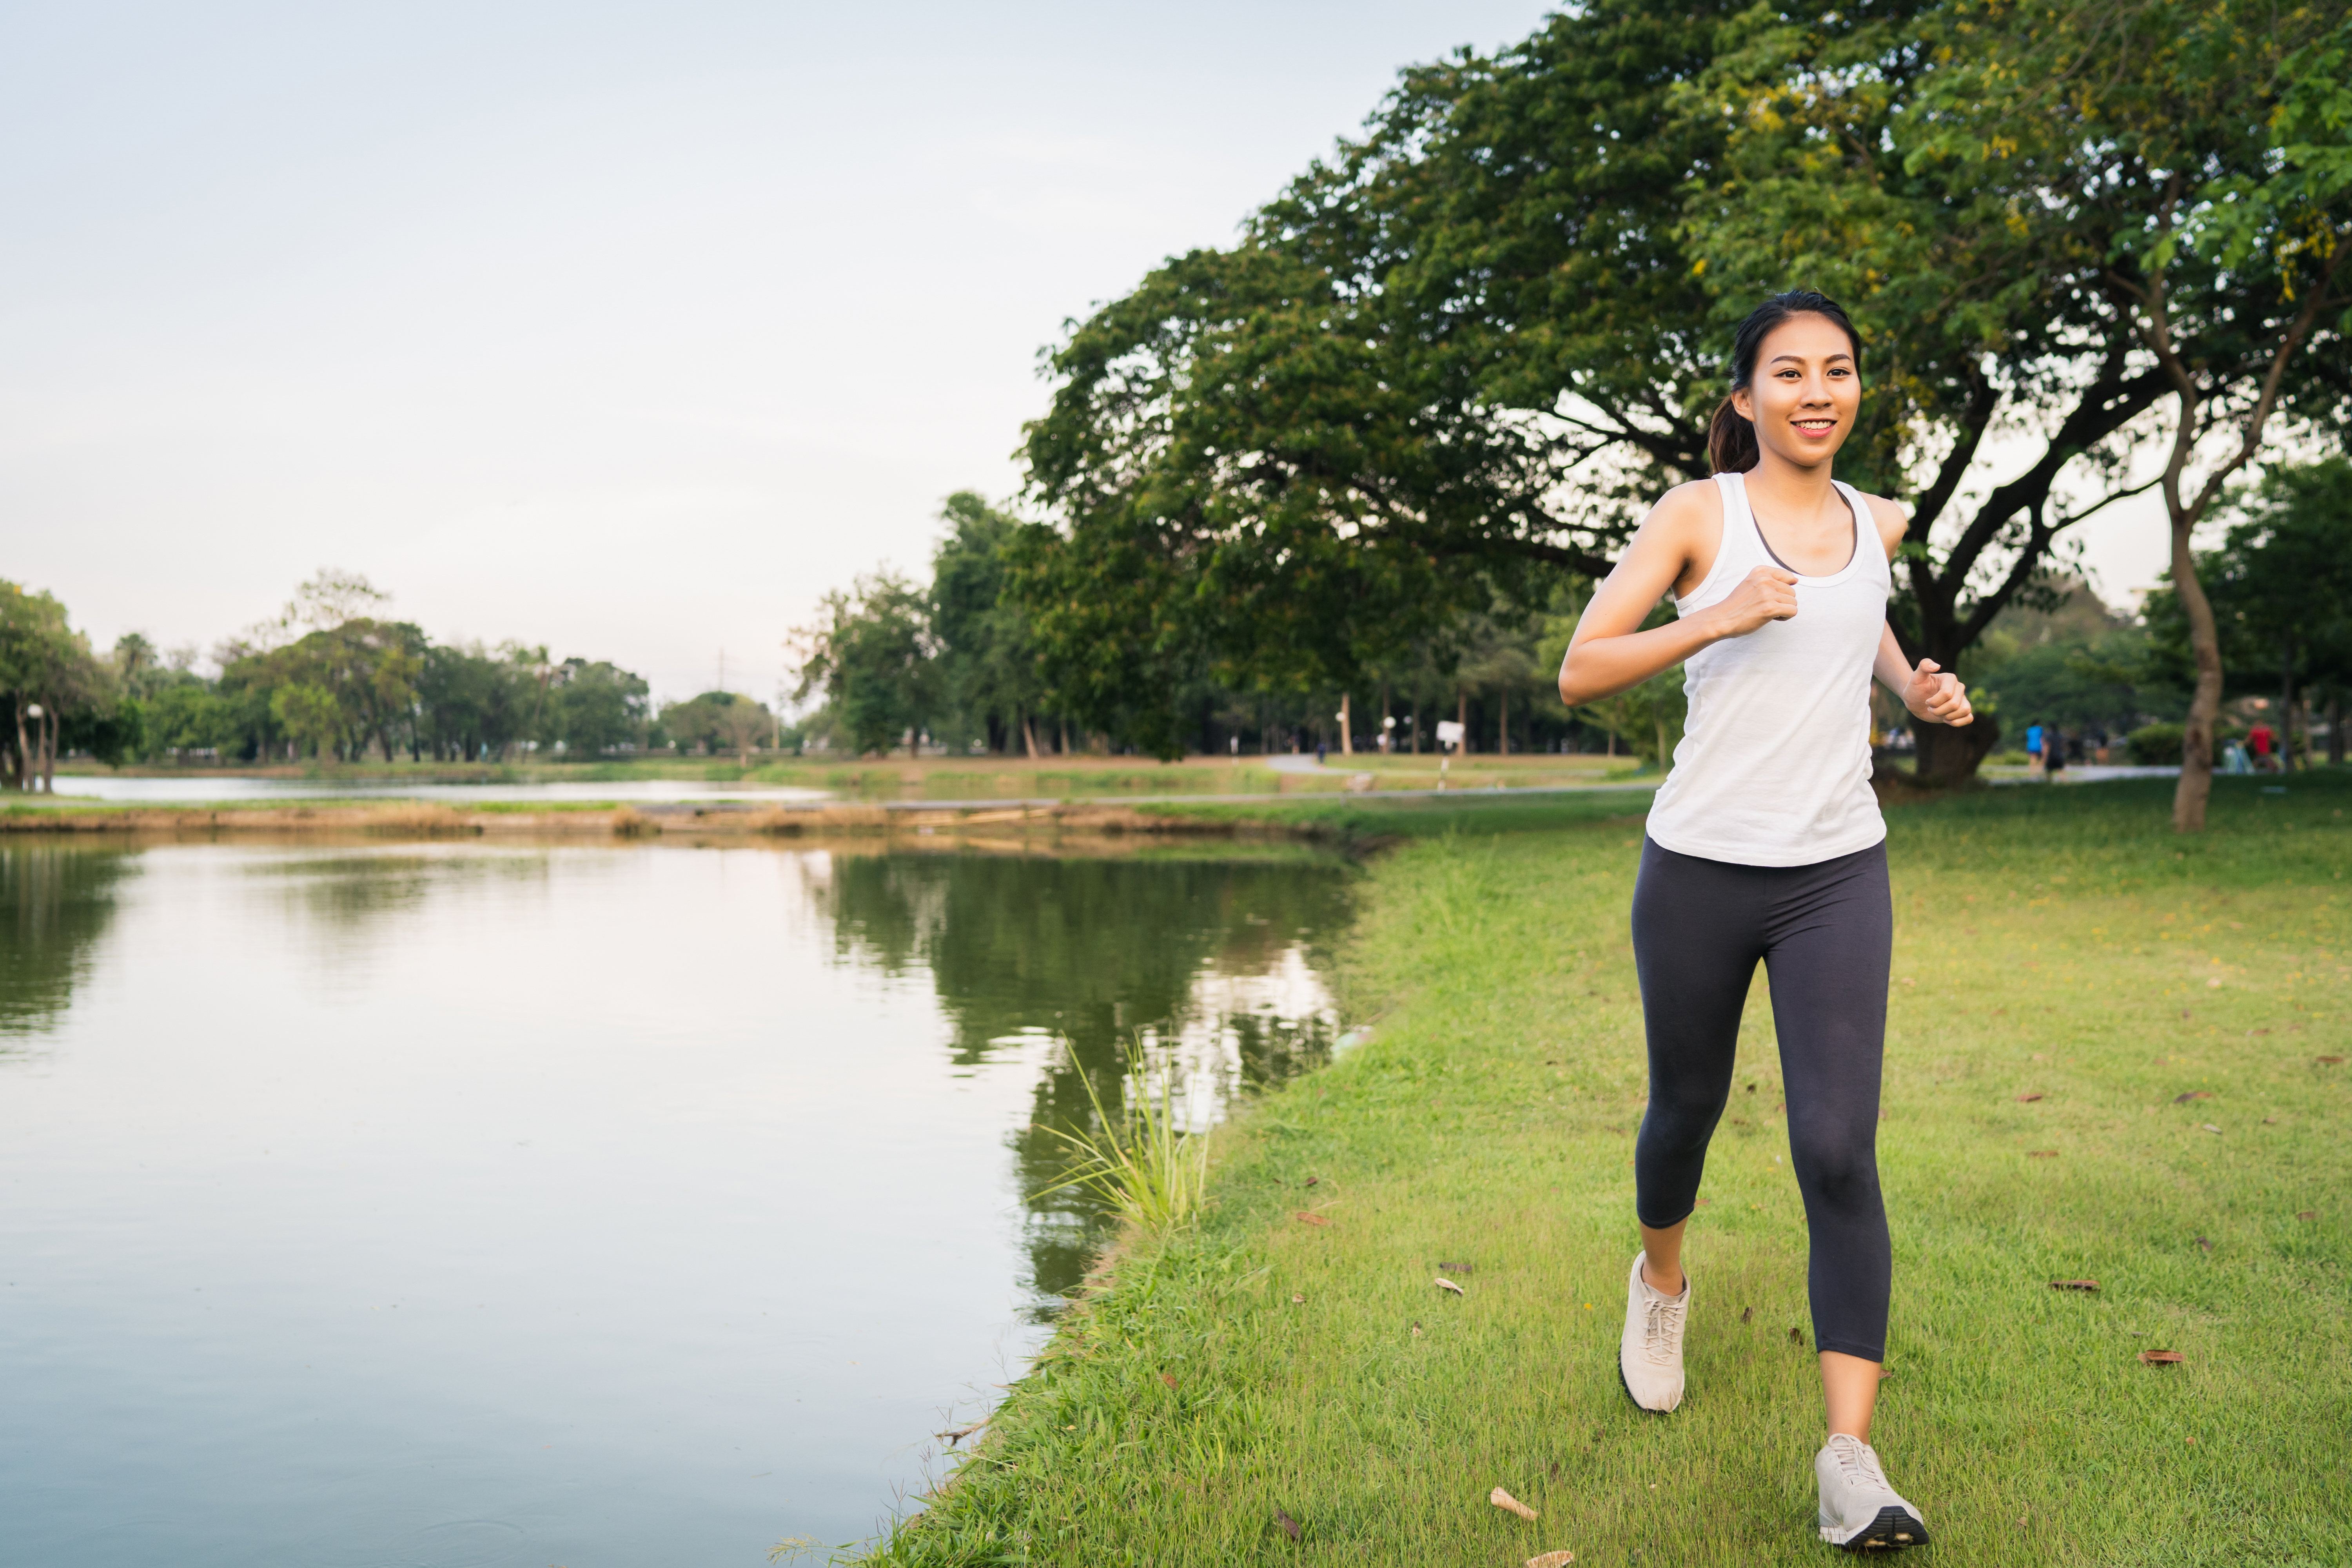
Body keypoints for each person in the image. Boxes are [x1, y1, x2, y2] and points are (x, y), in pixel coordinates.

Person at [1558, 290, 1971, 1553]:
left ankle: (1851, 1459)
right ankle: (1662, 1282)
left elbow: (1864, 621)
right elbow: (1581, 667)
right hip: (1699, 867)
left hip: (1836, 869)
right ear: (1744, 398)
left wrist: (1916, 683)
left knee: (1838, 1150)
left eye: (1837, 371)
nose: (1815, 391)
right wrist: (1721, 615)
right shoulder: (1700, 513)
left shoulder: (1875, 519)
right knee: (1684, 1105)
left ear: (1856, 391)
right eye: (1786, 372)